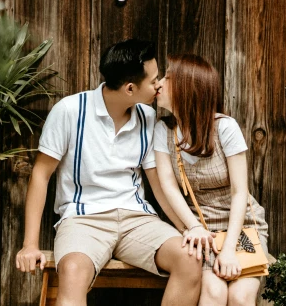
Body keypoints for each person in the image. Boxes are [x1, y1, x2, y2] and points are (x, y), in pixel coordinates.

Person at [15, 39, 203, 306]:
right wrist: (29, 244)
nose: (159, 85)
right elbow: (40, 175)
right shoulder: (69, 111)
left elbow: (158, 185)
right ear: (129, 88)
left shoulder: (148, 118)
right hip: (82, 220)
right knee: (72, 272)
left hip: (137, 220)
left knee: (190, 259)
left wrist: (188, 228)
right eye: (153, 80)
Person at [153, 54, 268, 306]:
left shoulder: (225, 127)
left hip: (242, 225)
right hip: (200, 228)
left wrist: (228, 250)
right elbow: (169, 187)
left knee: (240, 297)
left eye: (167, 78)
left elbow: (240, 192)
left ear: (188, 86)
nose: (158, 83)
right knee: (214, 295)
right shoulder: (163, 131)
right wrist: (193, 227)